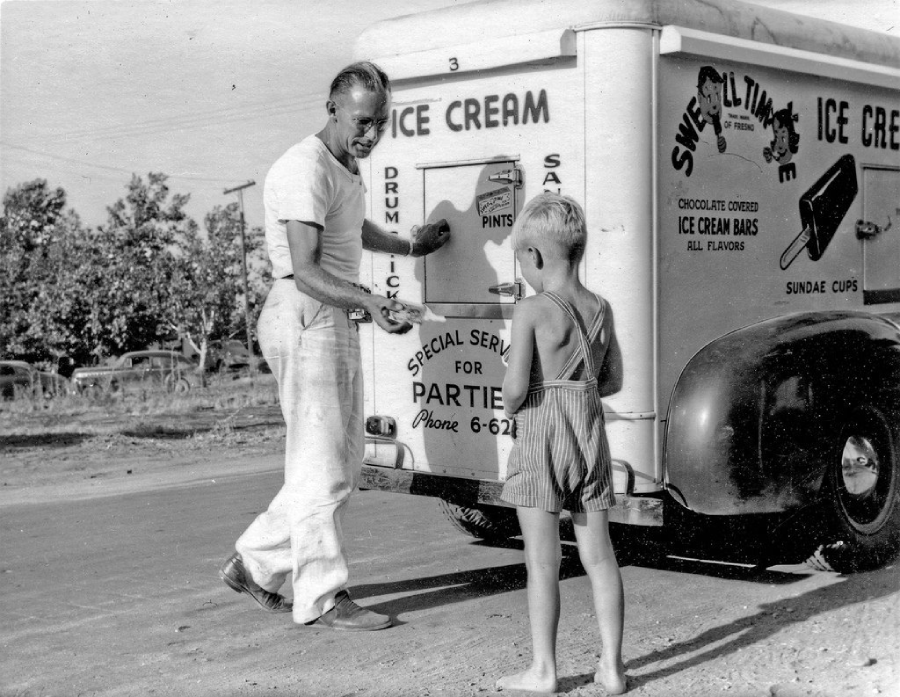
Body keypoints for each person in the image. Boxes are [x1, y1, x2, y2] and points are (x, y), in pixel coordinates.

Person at [220, 61, 450, 632]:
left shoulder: (341, 166)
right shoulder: (304, 167)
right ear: (333, 110)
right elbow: (305, 270)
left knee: (341, 461)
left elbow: (351, 226)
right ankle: (322, 595)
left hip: (330, 313)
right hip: (305, 313)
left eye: (381, 124)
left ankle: (254, 563)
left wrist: (407, 246)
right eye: (362, 122)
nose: (371, 135)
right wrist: (371, 302)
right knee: (320, 463)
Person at [496, 193, 626, 694]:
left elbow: (512, 394)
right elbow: (612, 380)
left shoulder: (531, 309)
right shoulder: (601, 309)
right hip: (588, 439)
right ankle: (612, 669)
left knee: (542, 562)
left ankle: (544, 671)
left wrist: (520, 395)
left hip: (542, 442)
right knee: (600, 557)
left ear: (534, 257)